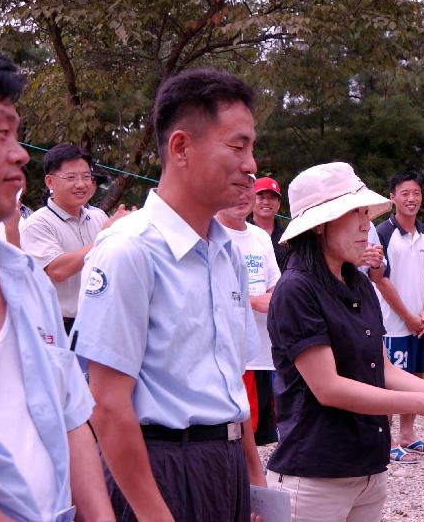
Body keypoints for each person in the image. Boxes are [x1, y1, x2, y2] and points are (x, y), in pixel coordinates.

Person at [72, 68, 267, 522]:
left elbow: (231, 380)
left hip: (226, 465)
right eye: (237, 147)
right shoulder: (129, 251)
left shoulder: (227, 253)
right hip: (159, 471)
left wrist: (253, 477)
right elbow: (107, 404)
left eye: (251, 148)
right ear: (181, 147)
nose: (251, 165)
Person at [264, 161, 424, 522]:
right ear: (320, 224)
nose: (365, 225)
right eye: (354, 213)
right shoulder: (297, 290)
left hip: (368, 466)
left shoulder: (358, 284)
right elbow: (329, 388)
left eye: (365, 213)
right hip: (315, 474)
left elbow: (381, 369)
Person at [0, 53, 113, 521]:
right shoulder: (41, 231)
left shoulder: (23, 282)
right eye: (0, 134)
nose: (19, 152)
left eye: (17, 135)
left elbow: (70, 419)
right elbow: (62, 269)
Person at [20, 143, 129, 331]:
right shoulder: (37, 224)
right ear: (50, 182)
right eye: (71, 177)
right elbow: (58, 270)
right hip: (58, 326)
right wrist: (106, 235)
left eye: (86, 177)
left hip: (99, 321)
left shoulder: (98, 217)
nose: (81, 184)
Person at [370, 171, 424, 463]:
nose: (411, 199)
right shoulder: (382, 233)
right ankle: (384, 441)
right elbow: (379, 279)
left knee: (415, 377)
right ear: (392, 198)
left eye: (416, 193)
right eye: (405, 193)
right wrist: (408, 317)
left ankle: (407, 435)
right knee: (390, 381)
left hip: (418, 324)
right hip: (391, 324)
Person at [216, 182, 281, 445]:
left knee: (259, 437)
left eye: (247, 190)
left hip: (263, 352)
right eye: (234, 188)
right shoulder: (210, 233)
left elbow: (274, 284)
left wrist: (272, 298)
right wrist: (253, 301)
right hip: (230, 355)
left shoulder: (260, 237)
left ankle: (250, 483)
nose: (242, 197)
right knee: (232, 434)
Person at [248, 176, 286, 271]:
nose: (266, 202)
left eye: (272, 198)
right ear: (251, 200)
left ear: (278, 204)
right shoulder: (240, 233)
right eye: (261, 197)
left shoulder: (287, 237)